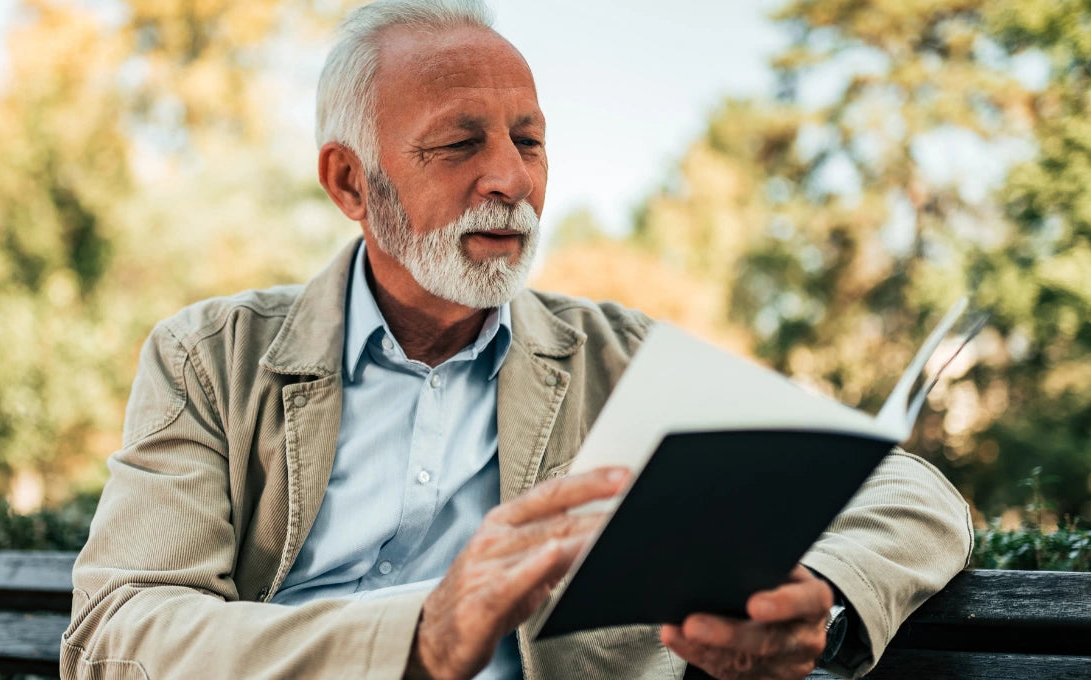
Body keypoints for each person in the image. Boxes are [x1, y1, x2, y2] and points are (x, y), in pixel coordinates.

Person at [59, 1, 973, 678]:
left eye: (528, 141)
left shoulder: (619, 358)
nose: (511, 178)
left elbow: (912, 492)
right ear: (350, 182)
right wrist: (416, 636)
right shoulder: (210, 359)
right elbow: (117, 628)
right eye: (459, 145)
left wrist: (824, 594)